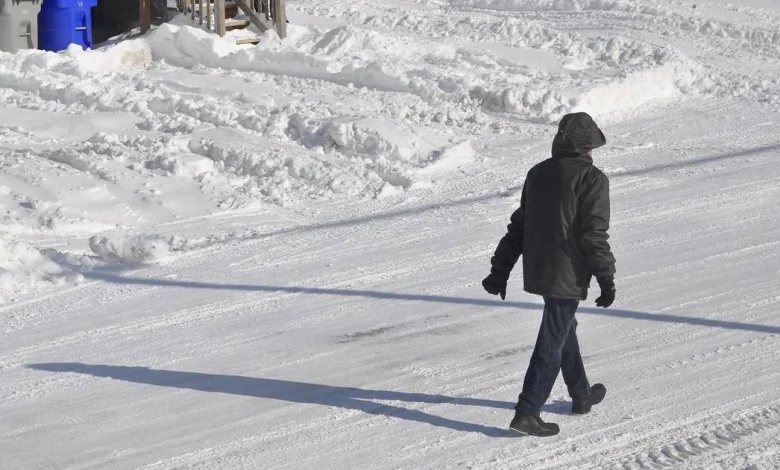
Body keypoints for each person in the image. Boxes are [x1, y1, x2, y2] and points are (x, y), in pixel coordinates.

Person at [482, 112, 617, 437]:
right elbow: (593, 234)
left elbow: (519, 226)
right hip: (567, 273)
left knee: (564, 328)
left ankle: (581, 395)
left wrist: (500, 270)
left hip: (540, 269)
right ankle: (527, 412)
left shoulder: (538, 173)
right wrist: (606, 277)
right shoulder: (592, 179)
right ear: (587, 146)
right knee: (551, 342)